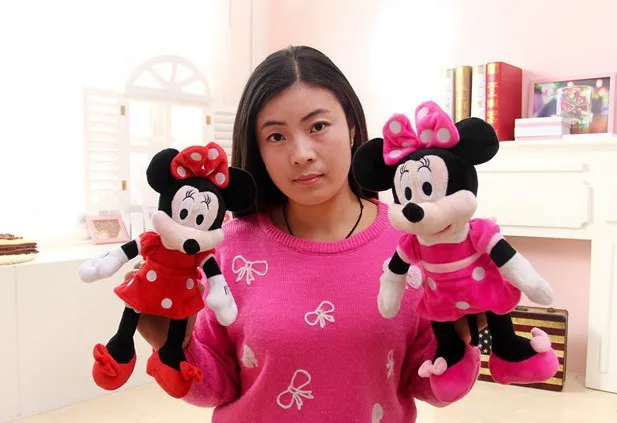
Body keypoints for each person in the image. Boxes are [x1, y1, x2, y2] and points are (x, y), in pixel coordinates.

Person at [131, 45, 485, 422]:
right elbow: (216, 387)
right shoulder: (226, 249)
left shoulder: (411, 244)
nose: (301, 154)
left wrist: (459, 341)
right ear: (258, 150)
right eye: (276, 136)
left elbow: (425, 383)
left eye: (318, 126)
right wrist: (171, 346)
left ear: (351, 127)